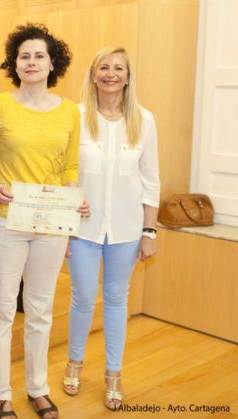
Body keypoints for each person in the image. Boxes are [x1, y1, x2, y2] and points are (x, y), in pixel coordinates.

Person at [0, 24, 88, 419]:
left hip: (51, 223)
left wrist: (72, 196)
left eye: (39, 55)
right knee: (1, 309)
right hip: (6, 220)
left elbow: (70, 164)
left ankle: (38, 388)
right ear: (14, 62)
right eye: (24, 55)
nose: (31, 62)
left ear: (51, 63)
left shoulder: (69, 112)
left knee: (41, 308)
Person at [62, 46, 160, 410]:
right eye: (104, 66)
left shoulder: (144, 120)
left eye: (118, 68)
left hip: (127, 229)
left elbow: (151, 180)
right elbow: (65, 171)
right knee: (84, 297)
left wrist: (150, 232)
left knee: (117, 300)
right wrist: (65, 221)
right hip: (82, 228)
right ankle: (74, 362)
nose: (111, 74)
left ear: (127, 76)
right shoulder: (76, 116)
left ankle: (113, 373)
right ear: (93, 73)